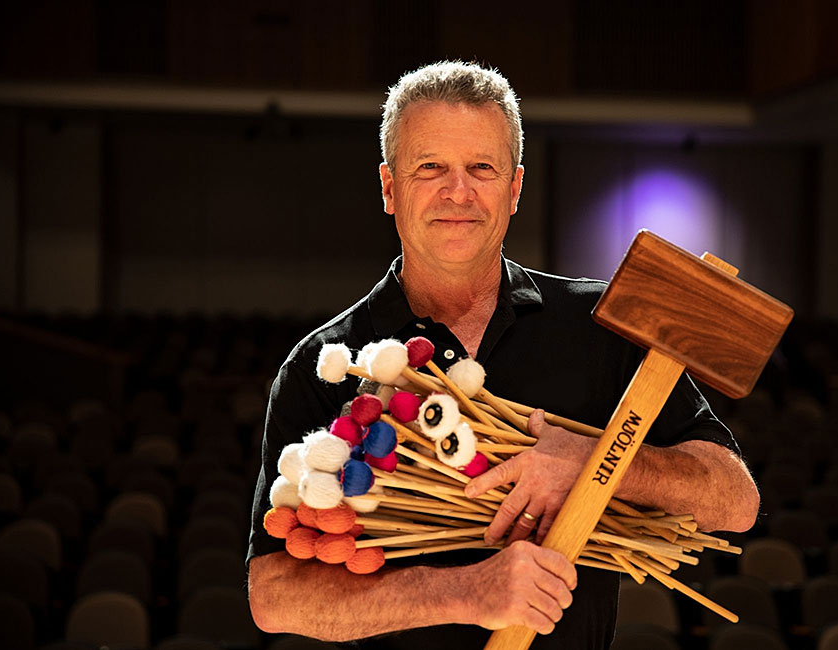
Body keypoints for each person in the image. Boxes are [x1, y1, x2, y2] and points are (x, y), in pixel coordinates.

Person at [247, 61, 759, 649]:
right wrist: (469, 592)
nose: (457, 191)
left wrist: (591, 463)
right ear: (389, 188)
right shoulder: (324, 362)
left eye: (481, 168)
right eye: (430, 167)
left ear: (514, 189)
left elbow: (735, 500)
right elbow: (275, 597)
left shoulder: (604, 328)